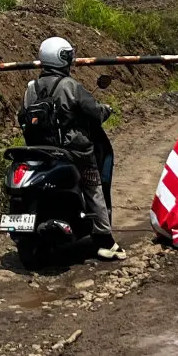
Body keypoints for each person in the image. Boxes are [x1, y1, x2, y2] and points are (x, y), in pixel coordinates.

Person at [23, 36, 126, 261]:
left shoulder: (32, 88)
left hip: (39, 150)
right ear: (63, 58)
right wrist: (106, 110)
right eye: (68, 56)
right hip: (73, 151)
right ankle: (105, 240)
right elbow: (94, 112)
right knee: (93, 186)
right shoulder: (70, 86)